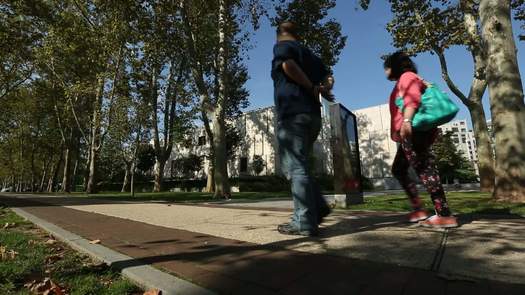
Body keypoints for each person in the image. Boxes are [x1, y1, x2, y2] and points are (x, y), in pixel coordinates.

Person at [271, 22, 333, 236]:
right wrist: (323, 88)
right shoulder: (311, 56)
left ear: (280, 34)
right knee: (302, 167)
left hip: (293, 113)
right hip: (313, 116)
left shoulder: (282, 46)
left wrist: (311, 87)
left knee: (295, 168)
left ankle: (303, 222)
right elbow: (329, 77)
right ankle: (318, 208)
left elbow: (288, 66)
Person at [384, 51, 458, 228]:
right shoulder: (408, 79)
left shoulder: (407, 76)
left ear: (394, 66)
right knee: (399, 169)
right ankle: (419, 209)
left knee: (426, 169)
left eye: (386, 67)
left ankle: (444, 215)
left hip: (413, 131)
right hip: (409, 133)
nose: (385, 71)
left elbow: (412, 100)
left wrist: (407, 122)